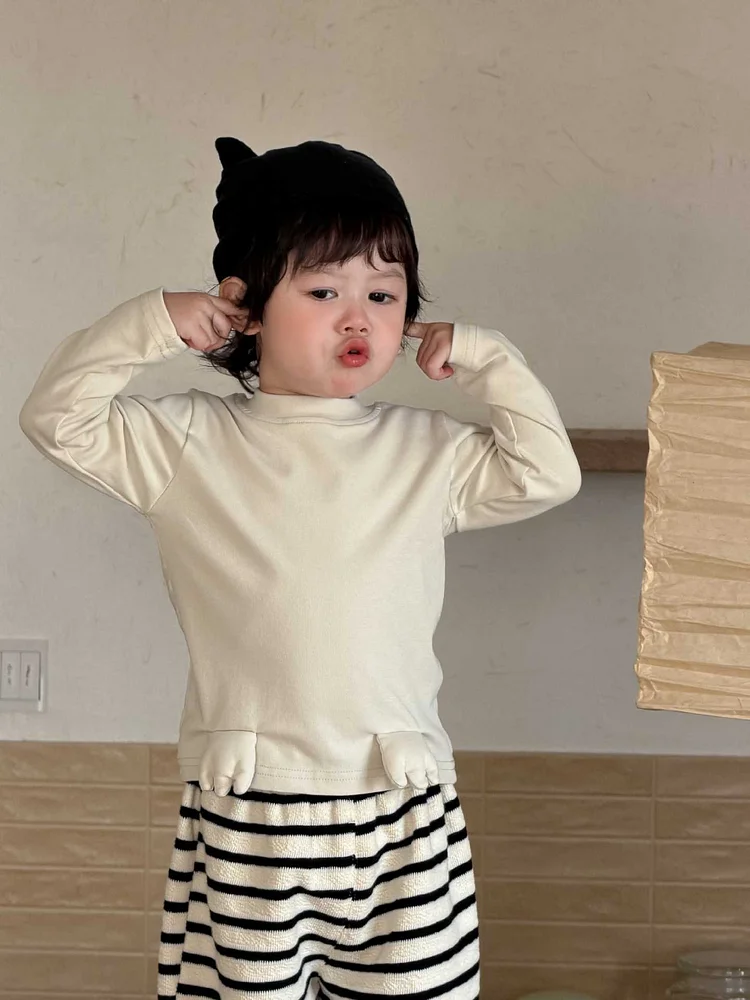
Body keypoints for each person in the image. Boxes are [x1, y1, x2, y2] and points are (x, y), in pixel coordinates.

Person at [19, 136, 581, 1000]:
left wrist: (488, 359)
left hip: (401, 803)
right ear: (243, 306)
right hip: (251, 809)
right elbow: (57, 418)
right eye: (324, 291)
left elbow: (547, 473)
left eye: (384, 294)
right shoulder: (187, 442)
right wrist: (154, 321)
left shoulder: (426, 451)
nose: (359, 317)